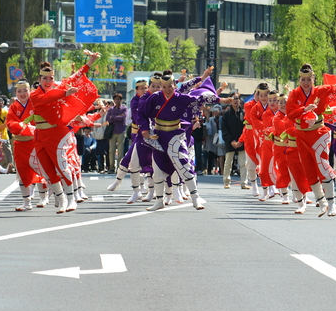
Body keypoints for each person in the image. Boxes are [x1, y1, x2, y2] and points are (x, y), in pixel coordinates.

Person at [286, 63, 336, 217]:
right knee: (309, 170)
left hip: (319, 132)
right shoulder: (294, 94)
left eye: (309, 79)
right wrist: (304, 109)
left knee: (323, 166)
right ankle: (322, 202)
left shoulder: (321, 91)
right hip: (302, 135)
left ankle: (331, 204)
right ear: (299, 80)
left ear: (313, 79)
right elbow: (290, 114)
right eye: (303, 79)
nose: (306, 83)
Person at [30, 51, 100, 213]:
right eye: (45, 79)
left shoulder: (58, 88)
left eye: (51, 78)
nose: (48, 81)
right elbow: (46, 99)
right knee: (47, 170)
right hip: (40, 136)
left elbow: (74, 77)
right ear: (39, 80)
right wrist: (65, 93)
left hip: (56, 134)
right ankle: (60, 199)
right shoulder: (35, 94)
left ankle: (71, 199)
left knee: (62, 166)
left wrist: (89, 62)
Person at [140, 68, 217, 211]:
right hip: (159, 135)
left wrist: (220, 98)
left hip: (176, 135)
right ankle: (159, 200)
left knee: (184, 165)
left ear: (175, 86)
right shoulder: (155, 98)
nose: (167, 89)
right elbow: (142, 112)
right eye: (164, 87)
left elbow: (199, 98)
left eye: (170, 86)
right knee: (157, 170)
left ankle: (195, 198)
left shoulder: (181, 97)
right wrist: (145, 130)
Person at [6, 80, 46, 211]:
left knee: (40, 169)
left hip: (35, 142)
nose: (22, 94)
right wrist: (20, 126)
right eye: (19, 91)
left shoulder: (35, 104)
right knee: (22, 170)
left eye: (25, 91)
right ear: (15, 93)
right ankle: (26, 201)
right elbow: (10, 123)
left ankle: (44, 196)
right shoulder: (13, 107)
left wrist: (30, 127)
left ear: (30, 91)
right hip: (19, 142)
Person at [221, 93, 247, 189]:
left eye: (237, 99)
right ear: (230, 100)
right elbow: (224, 129)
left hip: (242, 140)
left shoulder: (244, 113)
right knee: (228, 162)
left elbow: (246, 128)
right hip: (230, 141)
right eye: (234, 98)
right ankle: (226, 182)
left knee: (243, 162)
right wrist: (231, 141)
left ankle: (244, 182)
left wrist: (241, 140)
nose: (236, 101)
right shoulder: (226, 114)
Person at [105, 93, 128, 173]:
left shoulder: (124, 108)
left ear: (121, 100)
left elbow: (123, 117)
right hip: (112, 132)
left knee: (121, 151)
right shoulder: (111, 109)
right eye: (115, 99)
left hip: (121, 131)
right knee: (111, 150)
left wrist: (113, 117)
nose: (117, 101)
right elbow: (108, 119)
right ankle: (111, 167)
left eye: (118, 99)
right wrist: (116, 117)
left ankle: (119, 167)